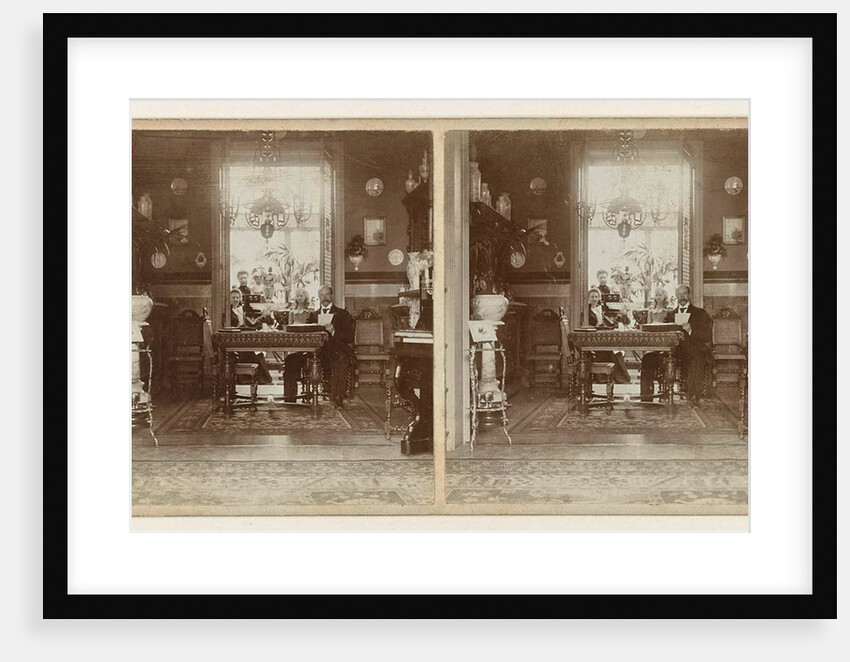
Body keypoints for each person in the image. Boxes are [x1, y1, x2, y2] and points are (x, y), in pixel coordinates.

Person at [640, 285, 712, 405]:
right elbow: (663, 334)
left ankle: (693, 396)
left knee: (697, 358)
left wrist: (690, 330)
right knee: (648, 358)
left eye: (684, 294)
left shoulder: (700, 313)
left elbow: (707, 336)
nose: (681, 297)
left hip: (692, 351)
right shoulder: (670, 314)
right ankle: (646, 398)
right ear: (676, 296)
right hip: (671, 351)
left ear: (689, 295)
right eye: (679, 294)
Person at [308, 285, 355, 407]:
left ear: (332, 295)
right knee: (293, 360)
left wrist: (334, 331)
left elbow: (349, 336)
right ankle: (294, 400)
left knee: (341, 360)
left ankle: (337, 398)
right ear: (318, 297)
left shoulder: (343, 314)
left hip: (336, 349)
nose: (325, 297)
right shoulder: (312, 315)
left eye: (327, 294)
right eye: (322, 295)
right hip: (317, 352)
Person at [586, 288, 630, 384]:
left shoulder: (601, 309)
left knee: (615, 348)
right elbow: (586, 324)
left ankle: (618, 377)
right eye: (592, 297)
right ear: (588, 298)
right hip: (593, 338)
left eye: (596, 297)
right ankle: (607, 377)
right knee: (611, 348)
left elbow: (612, 319)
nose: (594, 299)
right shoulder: (587, 311)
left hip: (601, 336)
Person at [228, 288, 272, 385]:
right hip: (234, 337)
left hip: (243, 336)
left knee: (256, 349)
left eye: (237, 297)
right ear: (229, 299)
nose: (235, 299)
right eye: (233, 297)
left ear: (240, 299)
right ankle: (246, 378)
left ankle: (259, 377)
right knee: (252, 350)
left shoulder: (243, 310)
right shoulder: (228, 312)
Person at [281, 287, 315, 403]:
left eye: (301, 295)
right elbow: (289, 329)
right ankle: (289, 396)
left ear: (305, 297)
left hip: (306, 347)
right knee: (290, 362)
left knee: (292, 362)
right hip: (293, 346)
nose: (299, 298)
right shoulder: (292, 312)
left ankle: (291, 395)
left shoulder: (309, 312)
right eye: (297, 296)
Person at [639, 288, 672, 401]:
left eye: (660, 295)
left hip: (663, 343)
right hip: (652, 343)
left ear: (664, 296)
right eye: (656, 295)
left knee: (651, 359)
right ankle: (646, 394)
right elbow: (647, 327)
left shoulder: (668, 311)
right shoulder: (651, 311)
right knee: (646, 359)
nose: (658, 297)